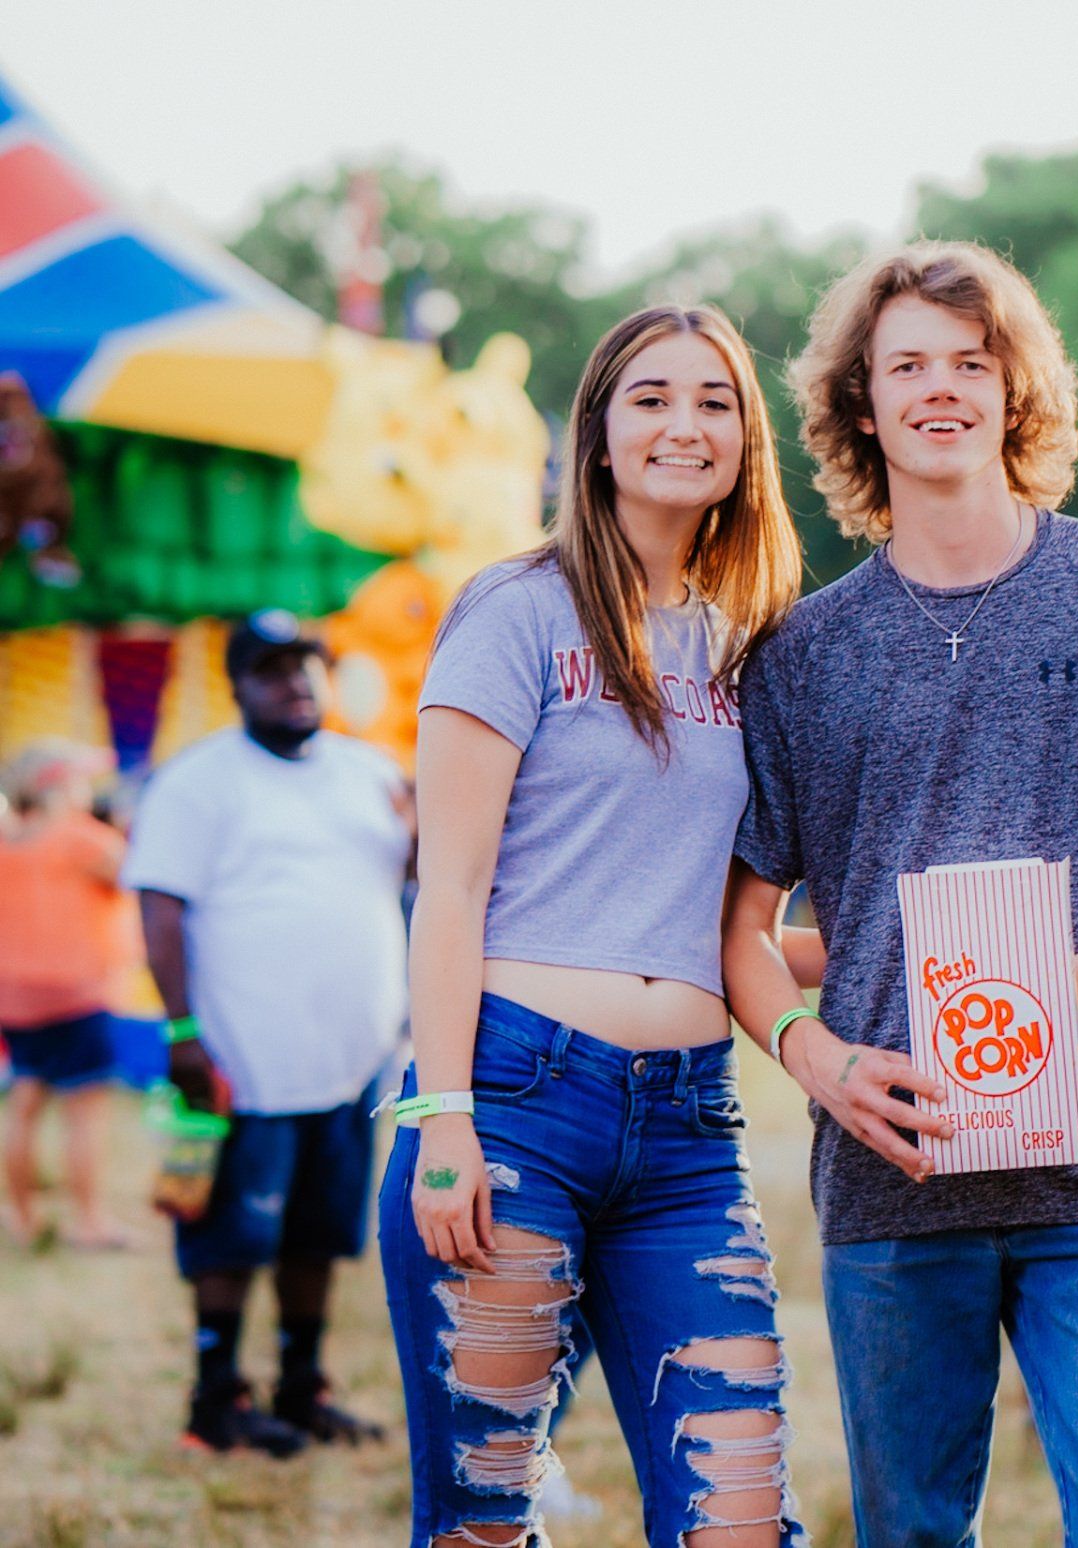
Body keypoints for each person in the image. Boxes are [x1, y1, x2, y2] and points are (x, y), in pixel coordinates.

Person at [723, 241, 1078, 1548]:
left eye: (972, 362)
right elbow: (743, 933)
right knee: (910, 1533)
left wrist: (1068, 974)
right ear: (860, 403)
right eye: (906, 364)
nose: (941, 389)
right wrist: (825, 1064)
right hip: (892, 1178)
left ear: (1018, 390)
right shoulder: (802, 653)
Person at [379, 305, 811, 1548]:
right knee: (482, 1517)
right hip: (516, 1100)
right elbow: (446, 888)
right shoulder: (516, 610)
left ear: (746, 442)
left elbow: (728, 915)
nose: (687, 424)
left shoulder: (752, 646)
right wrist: (442, 1115)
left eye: (717, 401)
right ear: (600, 435)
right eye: (653, 398)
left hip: (687, 1128)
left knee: (737, 1517)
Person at [123, 611, 412, 1455]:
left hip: (353, 1061)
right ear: (238, 684)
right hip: (239, 1063)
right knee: (230, 1234)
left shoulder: (369, 773)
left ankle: (301, 1388)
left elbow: (424, 874)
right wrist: (181, 1031)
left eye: (309, 666)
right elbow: (159, 907)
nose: (296, 683)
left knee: (318, 1235)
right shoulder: (199, 781)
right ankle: (216, 1402)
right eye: (273, 670)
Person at [0, 740, 133, 1248]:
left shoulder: (8, 840)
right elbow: (134, 872)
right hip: (76, 994)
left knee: (24, 1103)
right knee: (85, 1112)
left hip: (16, 997)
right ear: (56, 787)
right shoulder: (81, 838)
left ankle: (23, 1216)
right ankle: (89, 1221)